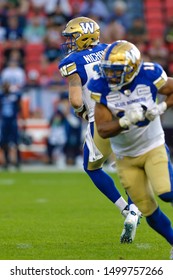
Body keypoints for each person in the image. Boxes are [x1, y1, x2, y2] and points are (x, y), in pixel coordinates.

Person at [58, 16, 141, 243]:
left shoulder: (72, 61)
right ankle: (134, 209)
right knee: (128, 166)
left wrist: (81, 111)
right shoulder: (111, 50)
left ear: (83, 36)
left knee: (92, 167)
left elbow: (76, 101)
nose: (70, 42)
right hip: (127, 114)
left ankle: (125, 209)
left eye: (72, 36)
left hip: (101, 121)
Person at [88, 40, 173, 259]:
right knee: (147, 210)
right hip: (125, 157)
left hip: (153, 145)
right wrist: (125, 122)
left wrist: (162, 106)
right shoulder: (100, 86)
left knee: (167, 192)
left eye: (117, 72)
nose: (111, 77)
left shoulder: (150, 73)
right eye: (109, 71)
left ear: (133, 68)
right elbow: (104, 130)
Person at [0, 81, 22, 169]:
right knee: (4, 142)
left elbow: (19, 104)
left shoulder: (15, 96)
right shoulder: (2, 96)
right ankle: (6, 161)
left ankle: (16, 160)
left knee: (15, 141)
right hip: (4, 121)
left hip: (12, 120)